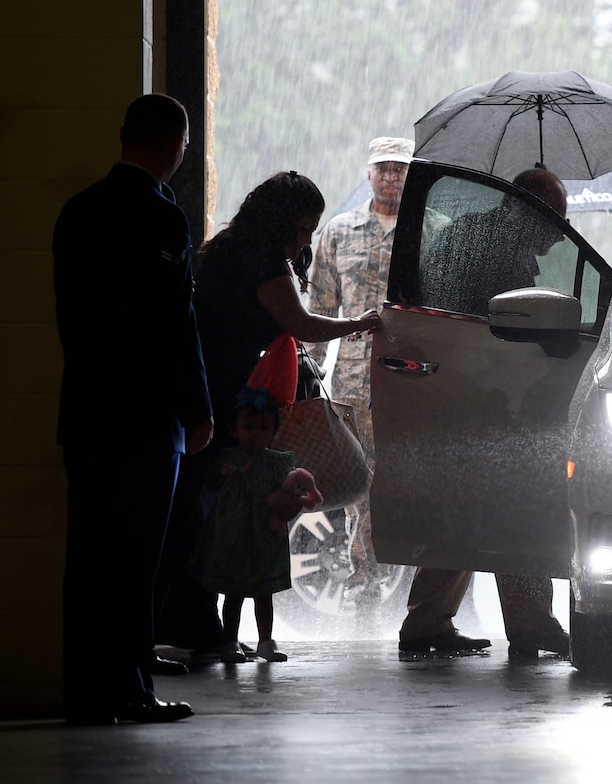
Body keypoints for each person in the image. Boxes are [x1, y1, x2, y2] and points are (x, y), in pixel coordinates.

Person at [157, 171, 382, 663]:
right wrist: (360, 324)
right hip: (223, 400)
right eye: (303, 228)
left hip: (199, 390)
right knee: (210, 518)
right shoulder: (265, 262)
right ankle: (194, 623)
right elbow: (301, 324)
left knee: (192, 512)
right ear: (282, 221)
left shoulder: (225, 248)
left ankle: (182, 618)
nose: (305, 240)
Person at [52, 93, 212, 725]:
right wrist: (197, 408)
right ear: (178, 146)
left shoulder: (78, 211)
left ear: (122, 134)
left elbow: (74, 321)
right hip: (146, 423)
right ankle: (130, 690)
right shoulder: (159, 217)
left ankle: (86, 692)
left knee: (89, 558)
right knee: (135, 560)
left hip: (89, 413)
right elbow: (174, 325)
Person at [397, 167, 574, 662]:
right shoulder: (502, 252)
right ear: (527, 209)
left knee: (463, 510)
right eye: (554, 218)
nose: (559, 232)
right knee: (516, 507)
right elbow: (512, 331)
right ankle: (530, 621)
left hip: (451, 390)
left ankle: (427, 621)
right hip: (490, 397)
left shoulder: (469, 234)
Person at [305, 136, 414, 608]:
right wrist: (307, 371)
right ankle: (364, 578)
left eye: (400, 169)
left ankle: (405, 579)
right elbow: (320, 308)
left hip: (415, 376)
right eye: (383, 169)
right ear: (368, 174)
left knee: (405, 477)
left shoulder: (427, 231)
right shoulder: (339, 231)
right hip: (352, 379)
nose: (391, 177)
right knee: (359, 480)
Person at [191, 387, 321, 663]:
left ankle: (265, 641)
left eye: (263, 428)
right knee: (233, 592)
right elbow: (210, 484)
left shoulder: (277, 462)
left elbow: (289, 491)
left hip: (264, 536)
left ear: (274, 431)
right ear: (234, 430)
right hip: (232, 535)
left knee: (264, 594)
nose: (255, 434)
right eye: (248, 427)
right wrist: (221, 474)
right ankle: (229, 640)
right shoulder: (226, 458)